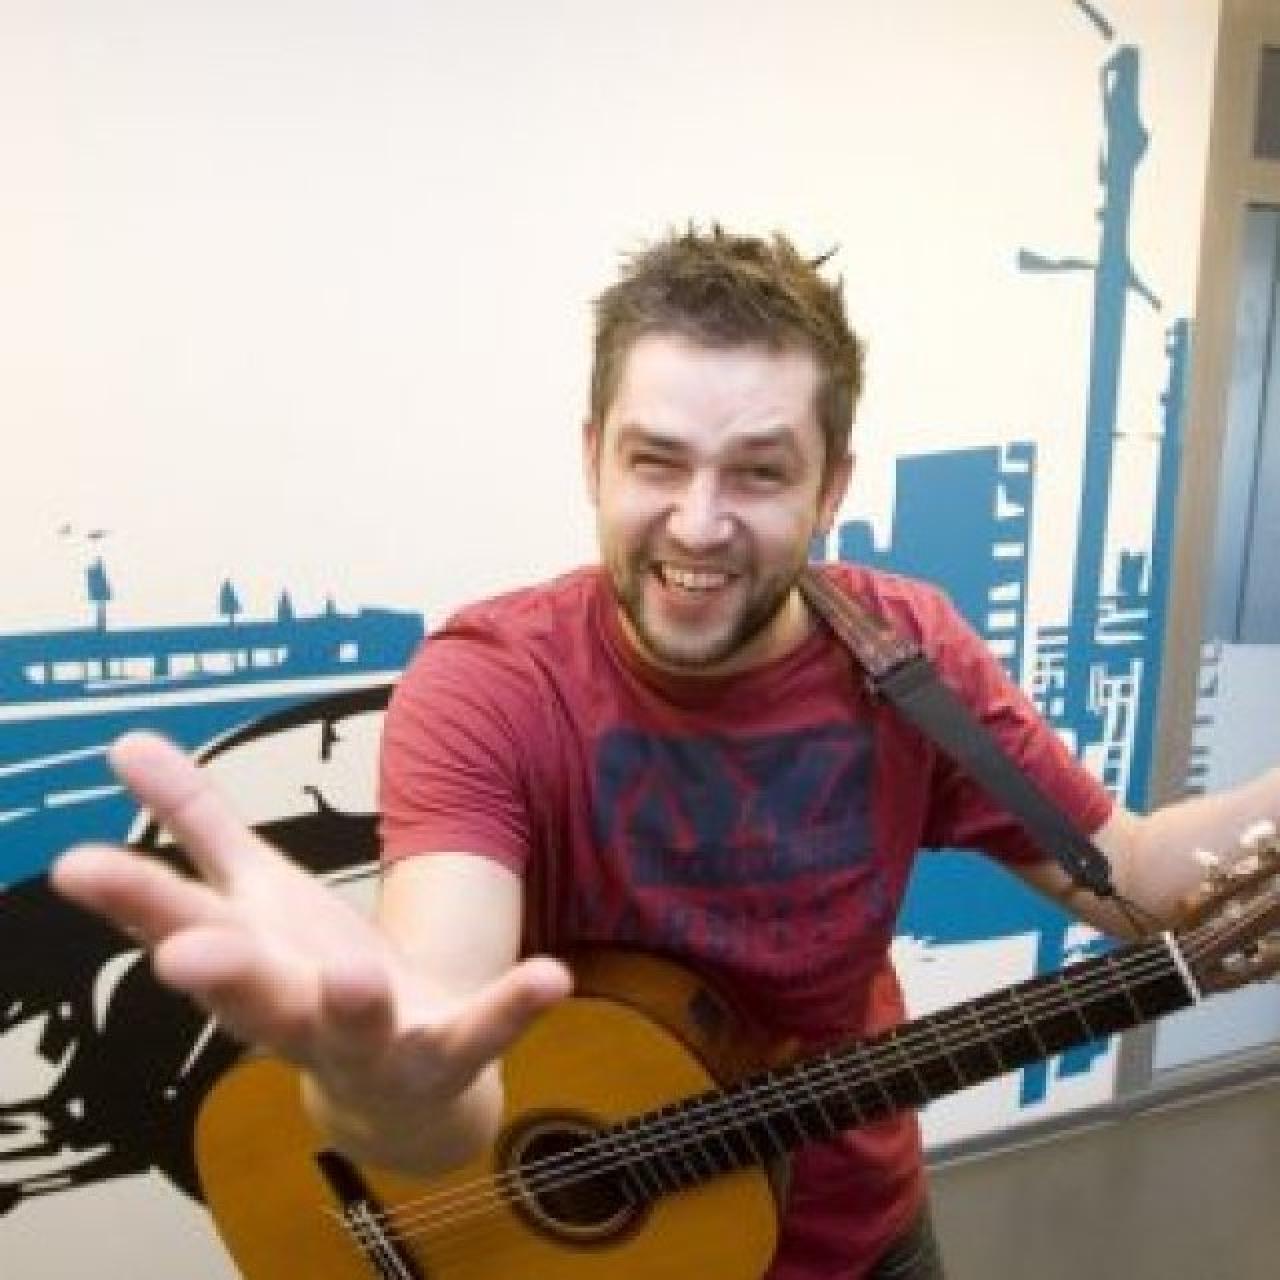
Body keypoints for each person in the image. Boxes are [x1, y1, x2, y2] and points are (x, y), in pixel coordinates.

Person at [53, 226, 1280, 1279]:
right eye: (655, 460)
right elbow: (440, 992)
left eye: (759, 471)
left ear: (831, 486)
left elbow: (1137, 877)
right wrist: (395, 1093)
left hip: (859, 1236)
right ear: (592, 454)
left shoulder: (911, 656)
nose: (699, 523)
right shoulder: (489, 683)